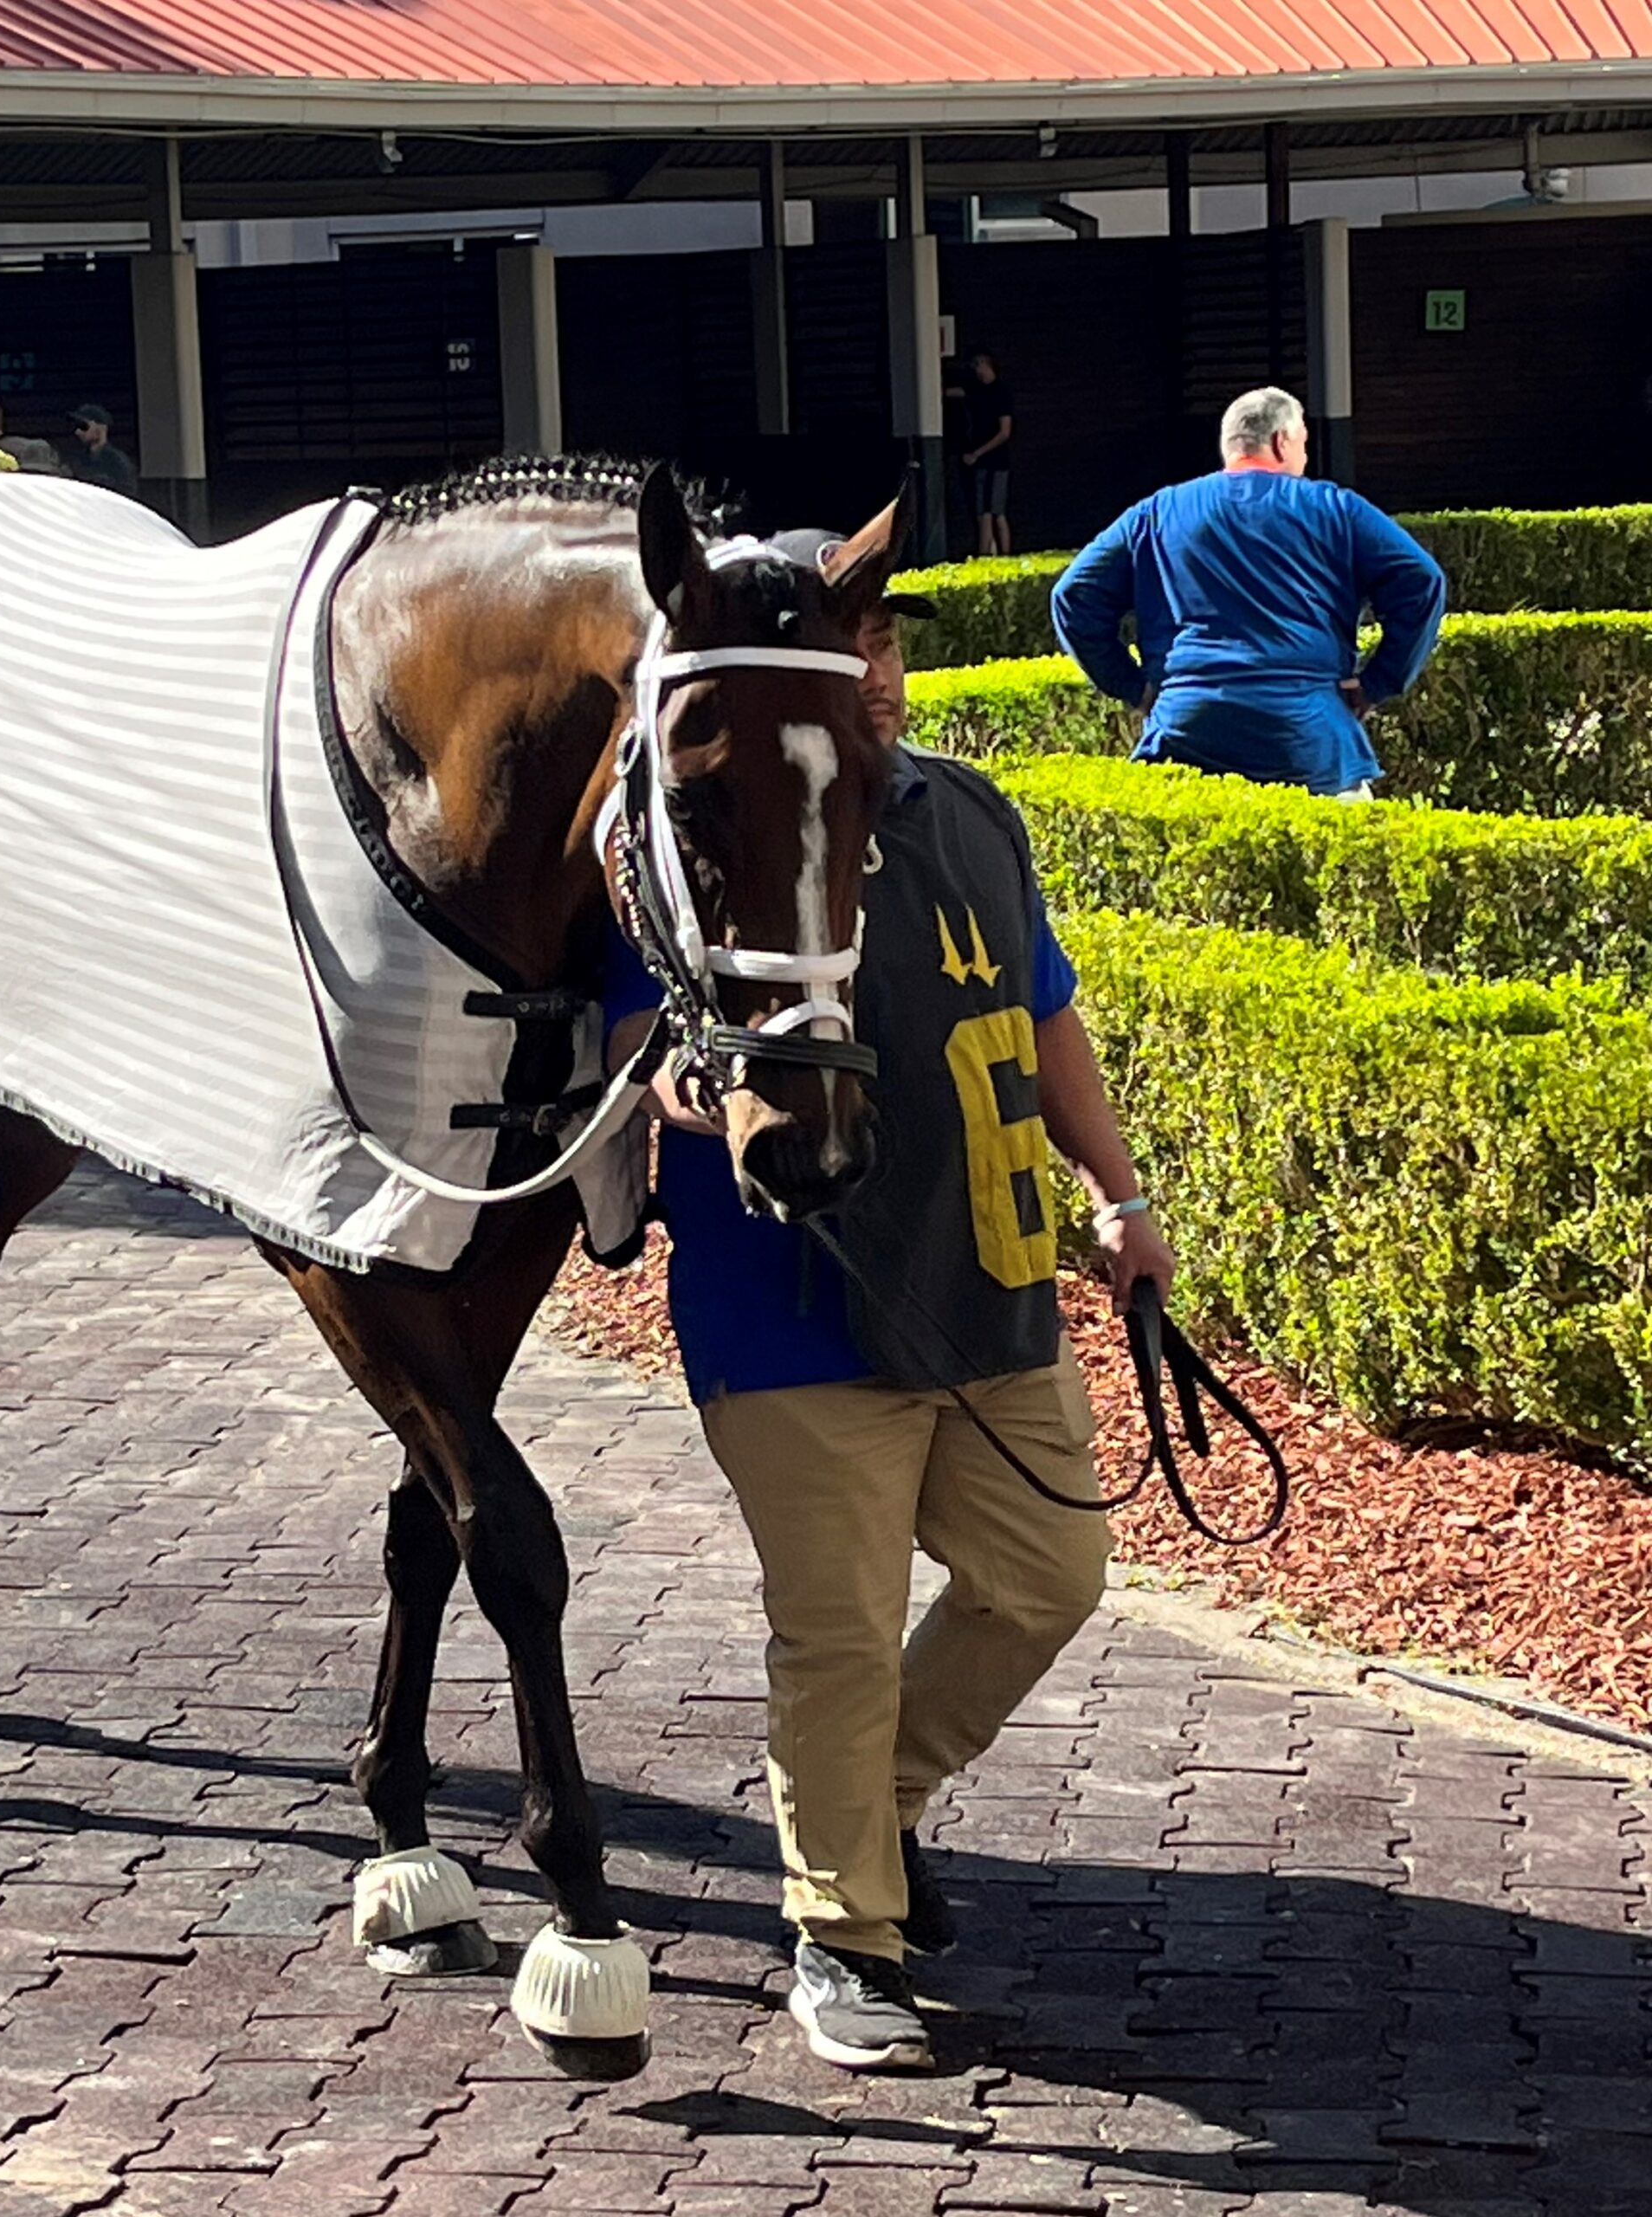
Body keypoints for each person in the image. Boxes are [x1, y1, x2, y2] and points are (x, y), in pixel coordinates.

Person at [605, 520, 1172, 2074]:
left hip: (986, 1285)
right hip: (793, 1305)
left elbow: (1049, 1021)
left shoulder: (974, 816)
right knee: (841, 1636)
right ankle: (839, 1936)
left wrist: (1122, 1197)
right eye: (842, 648)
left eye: (882, 641)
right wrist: (659, 1080)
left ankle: (874, 1810)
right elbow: (619, 1037)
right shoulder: (677, 822)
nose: (874, 672)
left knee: (1050, 1577)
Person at [1050, 386, 1447, 798]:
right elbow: (1421, 580)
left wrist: (1133, 686)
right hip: (1309, 739)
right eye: (1304, 446)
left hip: (1187, 732)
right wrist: (1378, 683)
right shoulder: (1335, 508)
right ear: (1281, 442)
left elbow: (1074, 596)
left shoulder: (1158, 512)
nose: (1306, 459)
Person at [952, 351, 1014, 555]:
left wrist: (978, 452)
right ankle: (995, 553)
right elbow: (957, 392)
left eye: (979, 364)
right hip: (984, 460)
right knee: (988, 512)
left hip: (994, 461)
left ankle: (994, 555)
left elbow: (1005, 431)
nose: (976, 369)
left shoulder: (1001, 392)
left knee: (991, 512)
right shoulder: (977, 391)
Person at [68, 403, 139, 498]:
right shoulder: (77, 459)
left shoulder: (118, 461)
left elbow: (128, 494)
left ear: (101, 428)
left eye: (83, 426)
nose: (78, 432)